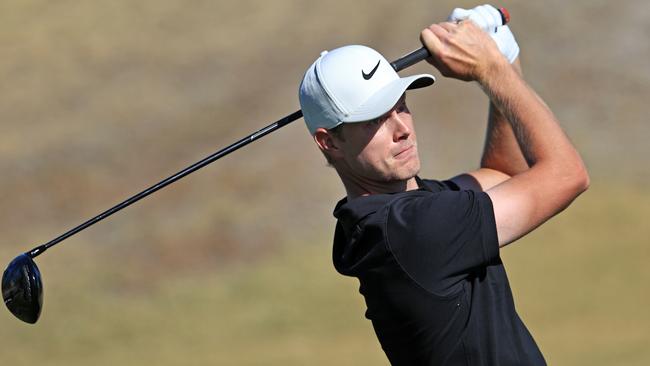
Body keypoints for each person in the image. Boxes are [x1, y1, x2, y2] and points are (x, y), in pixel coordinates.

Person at [298, 4, 589, 365]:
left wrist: (504, 55)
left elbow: (503, 174)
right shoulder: (411, 230)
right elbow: (568, 175)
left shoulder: (397, 215)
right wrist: (493, 71)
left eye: (401, 105)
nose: (402, 129)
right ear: (329, 142)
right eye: (374, 120)